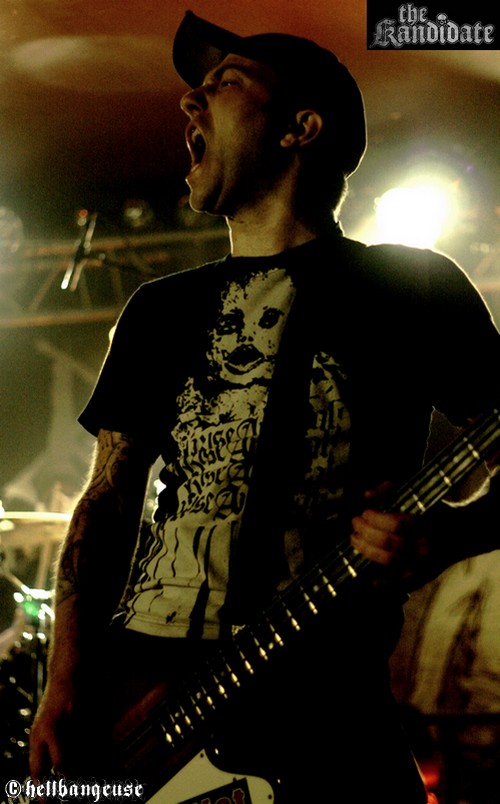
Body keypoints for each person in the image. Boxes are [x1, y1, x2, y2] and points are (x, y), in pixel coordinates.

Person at [29, 11, 500, 803]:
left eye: (224, 84)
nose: (189, 101)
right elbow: (106, 502)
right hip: (141, 707)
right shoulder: (158, 310)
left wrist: (447, 533)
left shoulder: (412, 286)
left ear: (300, 128)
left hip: (325, 703)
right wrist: (64, 683)